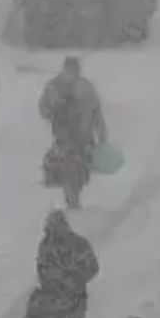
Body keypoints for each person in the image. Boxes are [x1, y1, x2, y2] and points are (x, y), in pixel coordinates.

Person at [39, 56, 107, 209]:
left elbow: (96, 111)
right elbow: (43, 109)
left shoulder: (86, 87)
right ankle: (70, 194)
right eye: (69, 69)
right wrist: (52, 109)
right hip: (64, 135)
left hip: (84, 135)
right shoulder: (54, 87)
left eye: (74, 69)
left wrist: (101, 132)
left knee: (81, 166)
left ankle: (74, 189)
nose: (72, 73)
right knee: (68, 163)